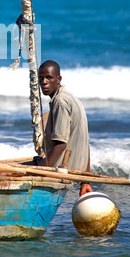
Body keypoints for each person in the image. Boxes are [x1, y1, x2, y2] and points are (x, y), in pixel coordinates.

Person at [35, 60, 93, 196]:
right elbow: (85, 144)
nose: (44, 82)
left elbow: (61, 144)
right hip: (78, 170)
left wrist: (41, 171)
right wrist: (86, 180)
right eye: (41, 78)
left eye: (49, 77)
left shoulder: (61, 102)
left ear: (58, 79)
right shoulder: (72, 98)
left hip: (64, 168)